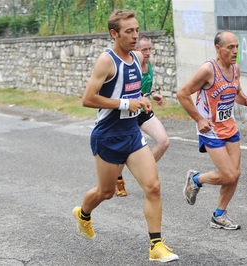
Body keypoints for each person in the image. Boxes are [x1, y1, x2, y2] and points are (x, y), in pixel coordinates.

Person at [72, 10, 178, 263]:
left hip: (131, 134)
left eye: (136, 30)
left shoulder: (138, 57)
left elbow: (134, 89)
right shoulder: (106, 61)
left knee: (153, 187)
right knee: (105, 192)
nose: (135, 35)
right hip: (107, 136)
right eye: (128, 31)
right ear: (114, 34)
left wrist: (143, 100)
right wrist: (124, 104)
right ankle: (83, 214)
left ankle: (156, 245)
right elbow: (88, 99)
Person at [176, 30, 247, 230]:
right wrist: (199, 119)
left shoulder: (235, 68)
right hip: (210, 130)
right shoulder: (208, 70)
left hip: (229, 126)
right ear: (218, 48)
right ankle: (196, 179)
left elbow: (235, 92)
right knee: (229, 175)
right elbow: (182, 93)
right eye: (230, 47)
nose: (235, 51)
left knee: (234, 174)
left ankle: (219, 215)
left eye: (237, 47)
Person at [115, 35, 170, 197]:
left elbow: (145, 88)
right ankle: (118, 179)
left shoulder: (150, 64)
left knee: (163, 142)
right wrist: (140, 97)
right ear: (135, 50)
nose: (147, 53)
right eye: (143, 49)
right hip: (128, 113)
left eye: (149, 49)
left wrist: (153, 94)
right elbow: (126, 89)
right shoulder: (131, 66)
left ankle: (143, 170)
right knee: (124, 152)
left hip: (143, 112)